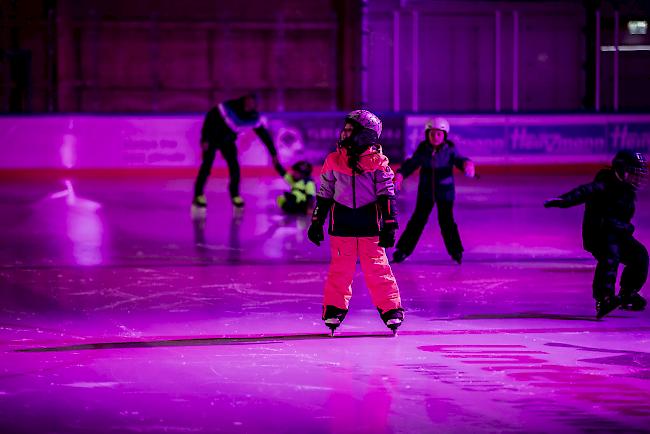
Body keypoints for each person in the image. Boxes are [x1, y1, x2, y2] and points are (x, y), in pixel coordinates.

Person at [307, 110, 404, 336]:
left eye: (351, 130)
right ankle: (334, 309)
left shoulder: (378, 163)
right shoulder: (333, 160)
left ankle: (391, 309)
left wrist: (390, 223)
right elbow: (325, 193)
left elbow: (387, 194)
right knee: (340, 270)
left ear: (364, 135)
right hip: (342, 223)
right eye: (345, 129)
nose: (344, 133)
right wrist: (316, 221)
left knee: (378, 269)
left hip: (370, 224)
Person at [544, 150, 648, 319]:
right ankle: (604, 298)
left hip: (617, 233)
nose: (637, 178)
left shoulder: (627, 191)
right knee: (610, 255)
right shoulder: (604, 184)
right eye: (634, 173)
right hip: (598, 235)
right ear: (622, 170)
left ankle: (628, 292)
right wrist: (563, 200)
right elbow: (584, 192)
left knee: (640, 255)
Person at [392, 117, 475, 264]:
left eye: (438, 134)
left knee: (446, 220)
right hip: (426, 192)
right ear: (427, 135)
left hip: (445, 193)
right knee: (418, 220)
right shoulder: (423, 150)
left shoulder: (450, 150)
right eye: (432, 134)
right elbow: (411, 164)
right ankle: (403, 250)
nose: (435, 137)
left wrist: (467, 164)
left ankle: (456, 251)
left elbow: (460, 160)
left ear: (444, 135)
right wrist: (400, 174)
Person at [192, 94, 280, 210]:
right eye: (248, 102)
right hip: (212, 138)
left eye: (252, 103)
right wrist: (204, 138)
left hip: (227, 141)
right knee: (206, 166)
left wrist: (273, 153)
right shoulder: (228, 107)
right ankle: (198, 194)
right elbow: (210, 118)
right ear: (244, 101)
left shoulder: (253, 117)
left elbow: (264, 135)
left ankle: (235, 195)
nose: (249, 105)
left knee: (235, 167)